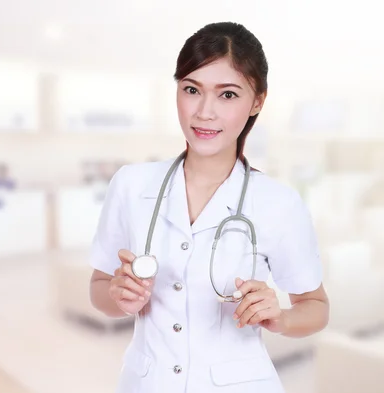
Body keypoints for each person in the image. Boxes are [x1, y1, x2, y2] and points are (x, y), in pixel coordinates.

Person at [88, 22, 329, 393]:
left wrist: (277, 317)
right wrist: (119, 297)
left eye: (228, 95)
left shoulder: (279, 203)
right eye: (191, 89)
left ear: (258, 101)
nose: (204, 112)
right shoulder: (131, 184)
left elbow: (315, 307)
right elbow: (100, 289)